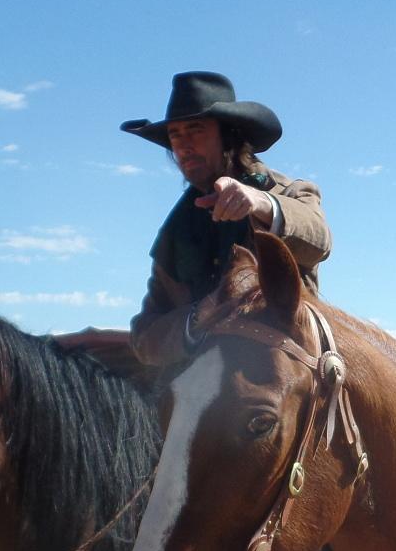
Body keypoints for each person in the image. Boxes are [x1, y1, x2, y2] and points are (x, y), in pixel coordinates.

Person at [120, 71, 331, 365]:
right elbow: (145, 336)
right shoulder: (175, 233)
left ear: (229, 136)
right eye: (175, 135)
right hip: (203, 378)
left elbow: (319, 239)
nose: (183, 145)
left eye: (195, 130)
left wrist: (261, 203)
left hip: (288, 369)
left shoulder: (288, 193)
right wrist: (197, 318)